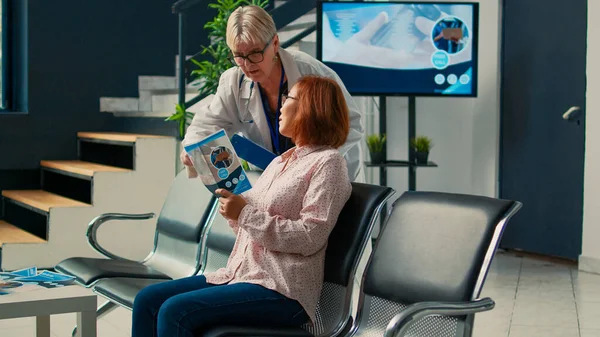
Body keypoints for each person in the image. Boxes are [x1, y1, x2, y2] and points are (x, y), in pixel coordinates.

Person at [131, 75, 353, 337]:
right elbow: (251, 231)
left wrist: (244, 213)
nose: (280, 106)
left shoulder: (329, 163)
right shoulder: (281, 161)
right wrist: (233, 211)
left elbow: (309, 236)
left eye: (289, 98)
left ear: (312, 108)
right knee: (147, 301)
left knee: (173, 311)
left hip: (282, 289)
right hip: (241, 275)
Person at [181, 5, 364, 181]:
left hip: (324, 178)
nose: (248, 64)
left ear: (275, 43)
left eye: (255, 53)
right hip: (274, 182)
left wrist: (314, 162)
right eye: (239, 55)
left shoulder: (309, 72)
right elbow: (206, 125)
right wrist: (193, 149)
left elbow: (351, 124)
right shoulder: (234, 82)